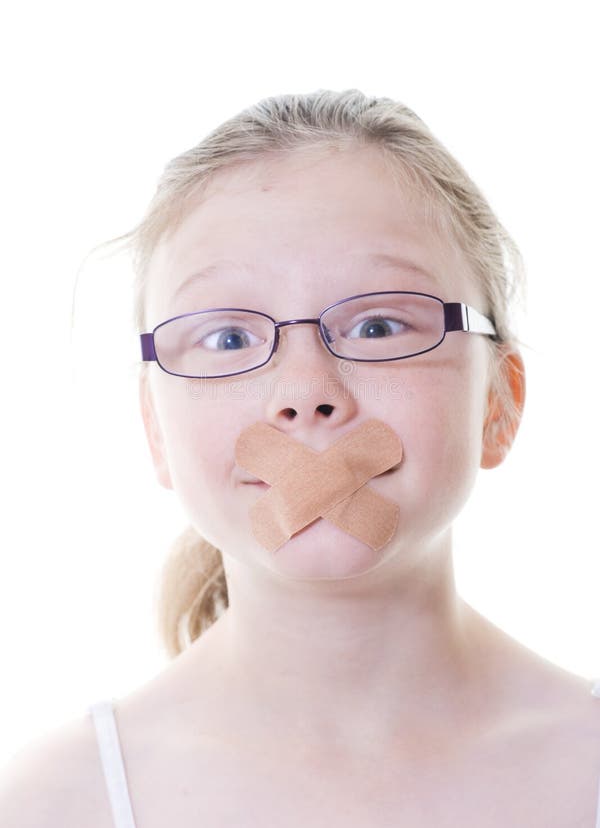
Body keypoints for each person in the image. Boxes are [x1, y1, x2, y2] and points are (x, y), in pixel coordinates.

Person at [2, 89, 600, 827]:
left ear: (498, 404)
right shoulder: (56, 803)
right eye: (229, 340)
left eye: (379, 324)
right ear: (155, 428)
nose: (305, 394)